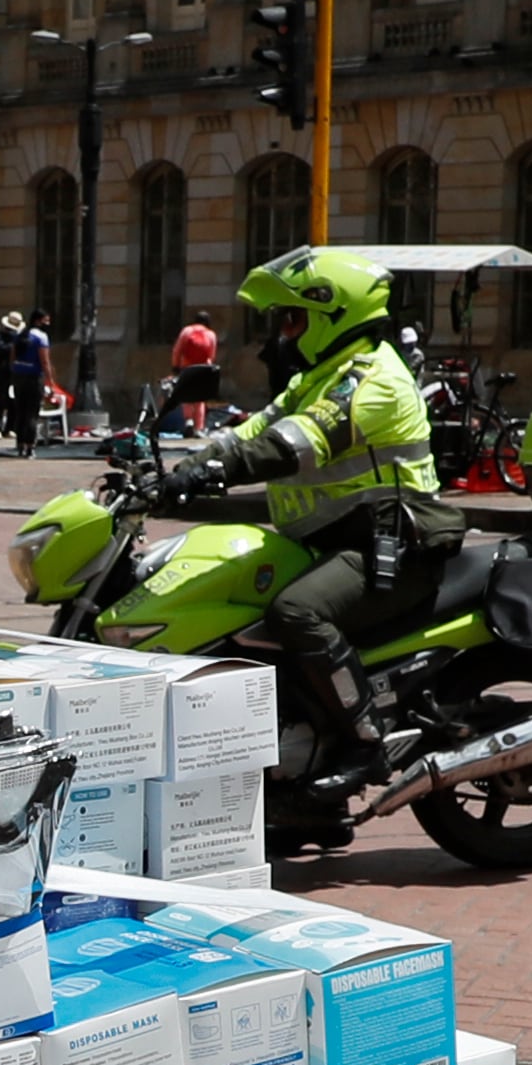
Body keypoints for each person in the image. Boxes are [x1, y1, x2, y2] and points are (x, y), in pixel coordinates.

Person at [158, 248, 458, 790]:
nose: (285, 334)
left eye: (294, 319)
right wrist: (179, 469)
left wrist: (210, 476)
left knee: (294, 612)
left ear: (332, 316)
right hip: (334, 540)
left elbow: (291, 444)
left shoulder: (370, 379)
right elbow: (251, 433)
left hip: (389, 545)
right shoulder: (317, 377)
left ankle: (365, 744)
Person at [8, 309, 56, 456]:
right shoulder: (41, 337)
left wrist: (15, 372)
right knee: (32, 414)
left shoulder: (20, 335)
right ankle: (30, 445)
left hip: (19, 376)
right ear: (38, 321)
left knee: (20, 411)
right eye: (45, 321)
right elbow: (44, 361)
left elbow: (12, 357)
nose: (48, 324)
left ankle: (20, 444)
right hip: (34, 378)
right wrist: (50, 381)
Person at [167, 306, 221, 434]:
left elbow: (177, 350)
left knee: (186, 396)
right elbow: (212, 355)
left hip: (187, 367)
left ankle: (188, 421)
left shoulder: (187, 331)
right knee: (200, 399)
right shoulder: (211, 334)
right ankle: (199, 428)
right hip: (203, 369)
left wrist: (175, 366)